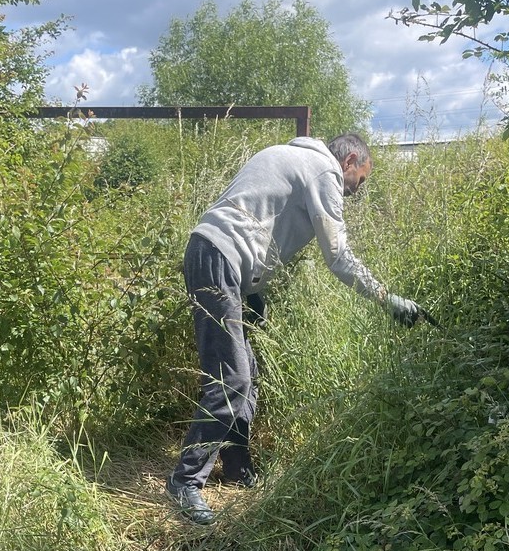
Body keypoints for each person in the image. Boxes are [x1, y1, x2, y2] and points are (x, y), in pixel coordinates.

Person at [166, 132, 433, 525]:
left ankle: (237, 469)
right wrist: (386, 298)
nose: (359, 190)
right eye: (363, 178)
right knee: (232, 380)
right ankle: (185, 481)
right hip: (219, 259)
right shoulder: (323, 170)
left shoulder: (291, 155)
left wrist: (251, 291)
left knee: (246, 376)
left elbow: (254, 217)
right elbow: (339, 256)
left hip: (216, 258)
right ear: (350, 161)